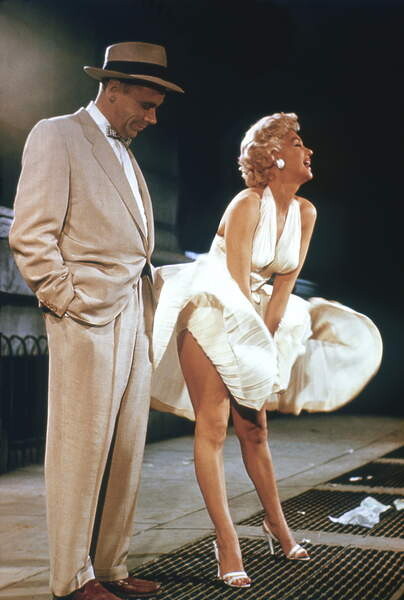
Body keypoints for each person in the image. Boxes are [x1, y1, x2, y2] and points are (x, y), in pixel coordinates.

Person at [151, 112, 383, 587]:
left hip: (259, 315)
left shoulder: (305, 212)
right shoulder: (246, 204)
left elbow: (282, 289)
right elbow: (236, 286)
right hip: (214, 309)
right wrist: (250, 343)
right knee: (213, 426)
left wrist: (267, 344)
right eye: (298, 143)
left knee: (254, 429)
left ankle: (277, 525)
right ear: (273, 155)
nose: (308, 151)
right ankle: (226, 541)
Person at [9, 42, 184, 600]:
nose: (152, 118)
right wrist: (65, 299)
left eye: (156, 107)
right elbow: (30, 233)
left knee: (126, 447)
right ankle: (72, 577)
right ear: (111, 89)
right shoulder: (57, 134)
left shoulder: (126, 152)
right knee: (79, 447)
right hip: (86, 313)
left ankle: (110, 565)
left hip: (132, 308)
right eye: (145, 105)